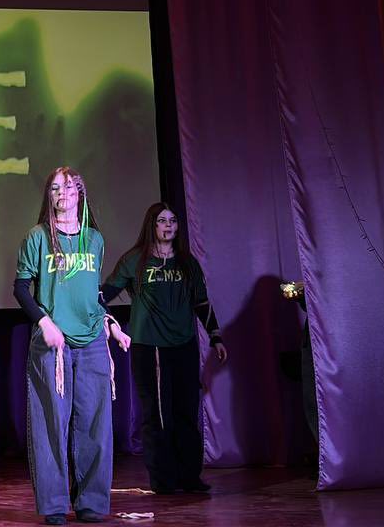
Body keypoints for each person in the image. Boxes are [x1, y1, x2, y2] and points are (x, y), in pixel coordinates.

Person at [14, 167, 130, 526]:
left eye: (67, 187)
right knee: (50, 424)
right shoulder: (37, 237)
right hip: (53, 342)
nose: (61, 193)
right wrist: (44, 322)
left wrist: (110, 324)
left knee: (95, 424)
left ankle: (91, 502)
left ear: (80, 192)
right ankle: (53, 505)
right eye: (54, 188)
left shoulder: (94, 239)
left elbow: (92, 294)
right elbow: (20, 288)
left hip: (92, 340)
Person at [101, 203, 226, 494]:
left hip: (184, 345)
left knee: (185, 411)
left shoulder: (187, 263)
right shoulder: (135, 260)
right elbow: (103, 294)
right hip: (150, 347)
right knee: (157, 415)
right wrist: (109, 324)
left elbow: (201, 302)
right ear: (152, 225)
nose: (168, 225)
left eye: (172, 220)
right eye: (162, 220)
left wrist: (216, 336)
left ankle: (189, 477)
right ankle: (163, 480)